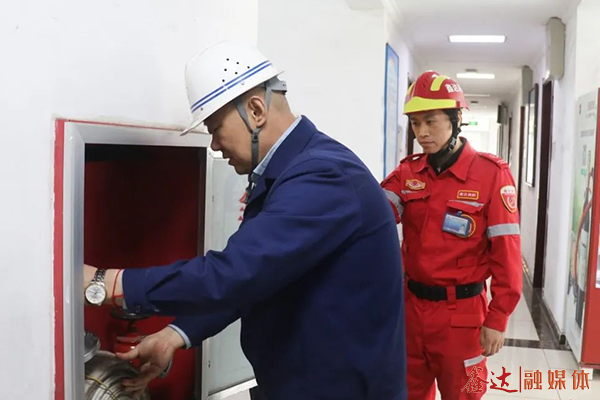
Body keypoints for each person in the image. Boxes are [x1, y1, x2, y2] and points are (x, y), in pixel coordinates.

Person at [83, 41, 407, 400]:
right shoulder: (290, 172)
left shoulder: (323, 177)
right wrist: (176, 334)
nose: (214, 145)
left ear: (255, 110)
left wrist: (109, 283)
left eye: (215, 128)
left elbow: (235, 273)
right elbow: (261, 279)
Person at [381, 71, 522, 399]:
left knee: (466, 394)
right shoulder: (408, 172)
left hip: (463, 317)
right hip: (411, 310)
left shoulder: (491, 175)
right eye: (415, 123)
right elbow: (372, 215)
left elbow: (507, 252)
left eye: (431, 121)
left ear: (456, 119)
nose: (422, 133)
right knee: (404, 393)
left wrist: (498, 318)